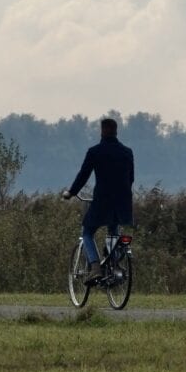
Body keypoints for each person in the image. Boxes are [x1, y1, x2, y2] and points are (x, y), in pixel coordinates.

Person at [62, 117, 135, 279]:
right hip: (123, 202)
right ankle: (114, 265)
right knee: (113, 231)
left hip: (103, 200)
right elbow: (131, 179)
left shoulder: (95, 152)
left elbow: (83, 176)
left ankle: (95, 267)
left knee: (87, 231)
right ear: (116, 131)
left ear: (102, 131)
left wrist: (71, 192)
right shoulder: (127, 152)